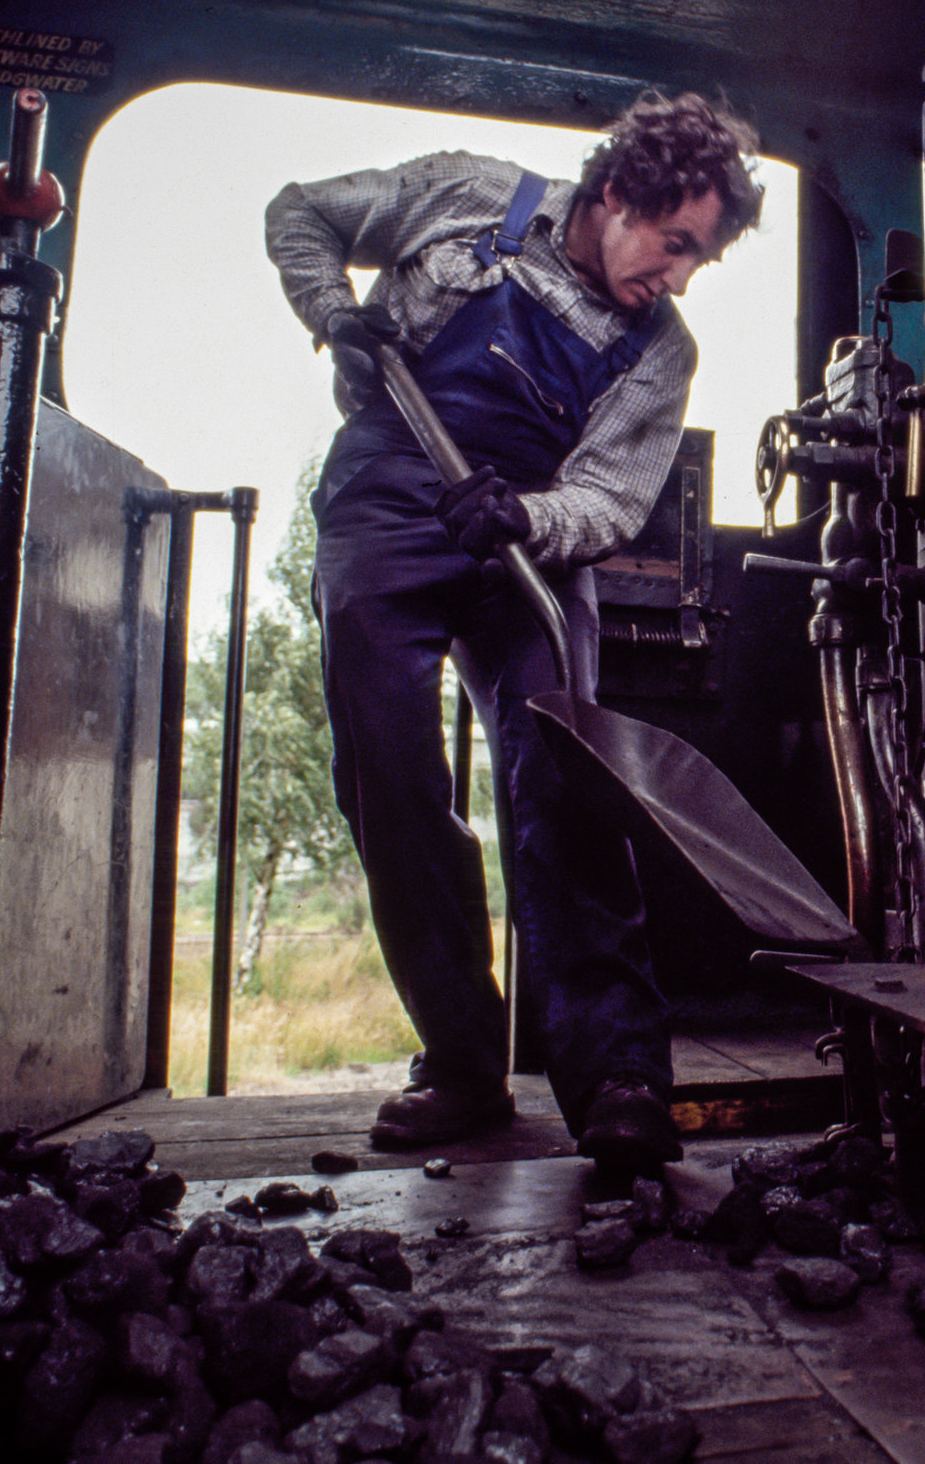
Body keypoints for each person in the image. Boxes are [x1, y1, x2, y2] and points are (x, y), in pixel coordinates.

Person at [265, 92, 762, 1174]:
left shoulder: (658, 352)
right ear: (619, 191)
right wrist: (330, 308)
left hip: (525, 548)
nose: (675, 277)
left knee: (564, 783)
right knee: (390, 779)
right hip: (388, 509)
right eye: (674, 244)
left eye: (697, 262)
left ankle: (620, 1075)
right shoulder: (464, 196)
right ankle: (461, 1063)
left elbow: (611, 500)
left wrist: (527, 518)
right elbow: (299, 210)